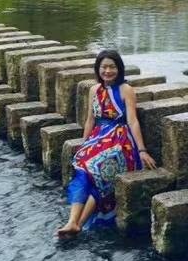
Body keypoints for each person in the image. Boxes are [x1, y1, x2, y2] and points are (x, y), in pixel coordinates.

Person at [56, 49, 155, 239]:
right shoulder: (94, 90)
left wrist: (142, 150)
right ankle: (72, 222)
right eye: (104, 67)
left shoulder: (125, 89)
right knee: (84, 165)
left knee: (98, 168)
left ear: (119, 69)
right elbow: (90, 120)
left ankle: (79, 223)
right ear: (98, 69)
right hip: (98, 137)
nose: (108, 71)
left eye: (112, 67)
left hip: (121, 140)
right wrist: (85, 144)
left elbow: (133, 121)